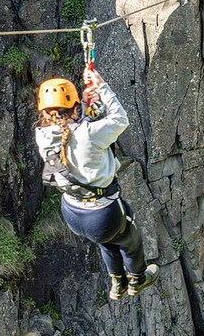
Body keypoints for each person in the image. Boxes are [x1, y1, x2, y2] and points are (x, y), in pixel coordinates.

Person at [34, 68, 159, 300]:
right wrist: (101, 87)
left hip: (73, 214)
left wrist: (86, 105)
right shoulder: (89, 134)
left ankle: (118, 283)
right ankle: (138, 279)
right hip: (103, 213)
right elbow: (120, 119)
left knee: (107, 239)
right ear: (72, 107)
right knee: (129, 238)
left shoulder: (42, 134)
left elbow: (70, 132)